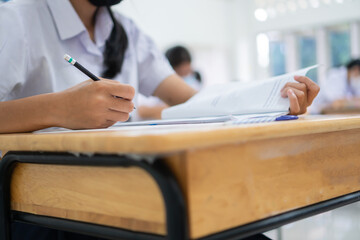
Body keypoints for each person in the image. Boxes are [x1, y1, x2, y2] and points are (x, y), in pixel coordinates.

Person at [0, 0, 319, 239]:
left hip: (126, 193)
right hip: (45, 209)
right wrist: (56, 109)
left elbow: (193, 99)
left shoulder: (127, 32)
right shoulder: (17, 19)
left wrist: (269, 97)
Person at [137, 45, 202, 120]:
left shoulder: (196, 85)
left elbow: (199, 105)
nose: (185, 77)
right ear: (171, 71)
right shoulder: (156, 84)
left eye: (187, 72)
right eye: (180, 73)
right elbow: (141, 111)